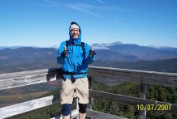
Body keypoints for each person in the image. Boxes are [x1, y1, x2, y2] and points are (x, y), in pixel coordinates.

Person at [57, 21, 96, 119]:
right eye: (73, 30)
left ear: (80, 31)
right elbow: (59, 60)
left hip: (81, 77)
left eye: (77, 30)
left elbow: (87, 61)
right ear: (70, 32)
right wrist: (63, 55)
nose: (75, 32)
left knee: (83, 103)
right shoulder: (64, 44)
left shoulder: (84, 46)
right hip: (68, 77)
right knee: (66, 104)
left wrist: (91, 56)